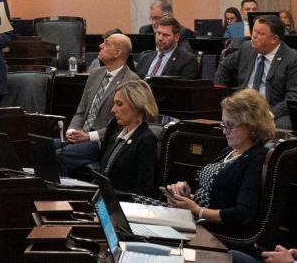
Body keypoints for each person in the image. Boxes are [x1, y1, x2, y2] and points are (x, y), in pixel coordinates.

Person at [165, 89, 273, 228]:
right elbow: (213, 195)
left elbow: (242, 213)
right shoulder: (229, 151)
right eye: (223, 124)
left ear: (251, 126)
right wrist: (186, 198)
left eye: (230, 126)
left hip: (212, 229)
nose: (224, 131)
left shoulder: (256, 159)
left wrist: (197, 210)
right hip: (195, 219)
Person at [58, 34, 139, 174]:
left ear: (117, 52)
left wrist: (89, 136)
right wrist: (72, 132)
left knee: (58, 155)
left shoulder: (131, 81)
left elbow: (123, 124)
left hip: (102, 142)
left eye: (106, 44)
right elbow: (81, 111)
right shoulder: (95, 74)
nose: (100, 46)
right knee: (42, 146)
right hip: (80, 137)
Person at [215, 15, 297, 129]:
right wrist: (218, 93)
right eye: (254, 31)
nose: (254, 36)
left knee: (281, 125)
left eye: (260, 33)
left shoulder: (291, 58)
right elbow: (224, 65)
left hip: (272, 109)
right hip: (243, 106)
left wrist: (268, 115)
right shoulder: (247, 48)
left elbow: (292, 97)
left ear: (274, 39)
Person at [98, 80, 159, 198]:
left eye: (119, 104)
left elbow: (143, 191)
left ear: (137, 106)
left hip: (124, 208)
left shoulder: (146, 139)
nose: (113, 109)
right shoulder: (116, 136)